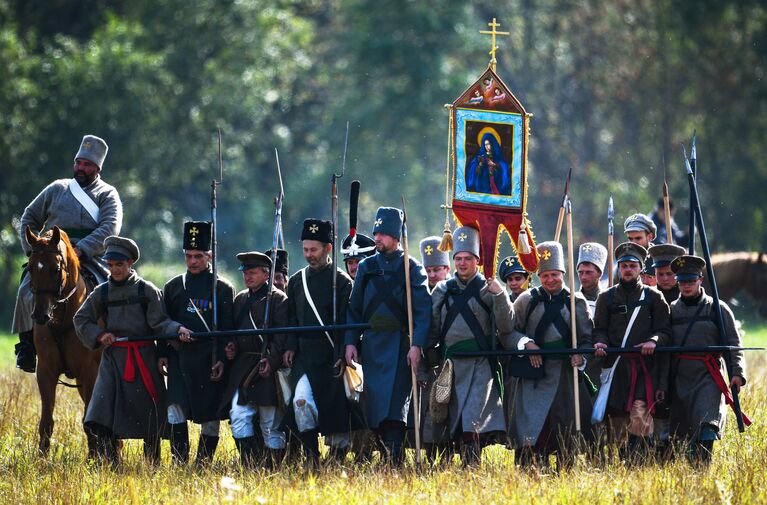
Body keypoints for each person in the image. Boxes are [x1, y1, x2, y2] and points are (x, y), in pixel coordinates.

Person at [74, 236, 189, 464]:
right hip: (113, 361)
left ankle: (152, 464)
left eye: (120, 264)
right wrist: (99, 335)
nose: (114, 269)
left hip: (144, 360)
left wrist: (178, 329)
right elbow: (81, 319)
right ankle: (109, 463)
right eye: (111, 265)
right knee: (102, 411)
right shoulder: (101, 293)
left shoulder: (147, 291)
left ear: (130, 263)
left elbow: (161, 323)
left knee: (150, 416)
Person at [13, 134, 122, 373]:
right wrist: (35, 252)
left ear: (97, 168)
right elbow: (28, 219)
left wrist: (81, 250)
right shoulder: (56, 188)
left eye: (87, 165)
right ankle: (26, 346)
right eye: (78, 163)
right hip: (50, 254)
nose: (81, 168)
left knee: (113, 293)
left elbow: (110, 228)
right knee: (25, 287)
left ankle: (115, 345)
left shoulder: (107, 193)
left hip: (89, 257)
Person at [345, 207, 431, 465]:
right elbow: (354, 308)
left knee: (395, 405)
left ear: (396, 238)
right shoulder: (366, 267)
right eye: (376, 233)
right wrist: (350, 341)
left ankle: (394, 460)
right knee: (374, 405)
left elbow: (423, 313)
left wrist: (416, 346)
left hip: (399, 345)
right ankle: (383, 455)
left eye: (383, 234)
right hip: (372, 345)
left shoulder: (412, 268)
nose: (378, 238)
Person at [426, 226, 513, 465]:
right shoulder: (442, 290)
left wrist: (500, 295)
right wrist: (427, 354)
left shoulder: (488, 289)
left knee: (472, 417)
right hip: (450, 365)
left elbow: (506, 326)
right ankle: (443, 465)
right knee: (447, 416)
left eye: (468, 259)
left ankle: (472, 465)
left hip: (480, 363)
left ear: (477, 260)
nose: (462, 263)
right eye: (458, 259)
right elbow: (433, 328)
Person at [509, 241, 594, 469]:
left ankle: (565, 470)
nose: (550, 280)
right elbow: (509, 332)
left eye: (554, 274)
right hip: (534, 374)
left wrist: (581, 357)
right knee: (533, 427)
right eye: (545, 275)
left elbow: (587, 338)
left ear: (563, 274)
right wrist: (527, 344)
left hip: (566, 375)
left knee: (566, 425)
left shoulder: (577, 301)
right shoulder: (526, 300)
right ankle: (531, 471)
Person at [282, 219, 360, 466]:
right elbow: (293, 318)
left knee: (335, 406)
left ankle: (337, 459)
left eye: (313, 250)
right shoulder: (297, 280)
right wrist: (291, 346)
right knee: (300, 402)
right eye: (305, 250)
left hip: (331, 355)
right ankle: (311, 458)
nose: (309, 255)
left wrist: (340, 353)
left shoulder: (343, 282)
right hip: (306, 354)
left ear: (328, 248)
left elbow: (348, 322)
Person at [159, 221, 234, 466]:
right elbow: (163, 323)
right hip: (180, 359)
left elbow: (228, 330)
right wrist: (162, 353)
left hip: (209, 360)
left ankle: (202, 464)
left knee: (209, 417)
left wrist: (222, 359)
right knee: (174, 411)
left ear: (209, 256)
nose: (193, 261)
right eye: (189, 256)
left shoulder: (222, 288)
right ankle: (179, 462)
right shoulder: (173, 287)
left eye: (198, 256)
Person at [664, 255, 747, 465]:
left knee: (707, 425)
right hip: (680, 378)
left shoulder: (717, 309)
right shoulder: (671, 310)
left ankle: (703, 469)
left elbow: (732, 344)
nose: (687, 286)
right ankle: (691, 470)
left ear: (700, 279)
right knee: (683, 431)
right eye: (683, 282)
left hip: (708, 377)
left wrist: (737, 373)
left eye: (691, 281)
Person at [593, 242, 671, 462]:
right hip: (616, 369)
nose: (627, 269)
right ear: (619, 267)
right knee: (617, 419)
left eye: (632, 266)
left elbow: (665, 330)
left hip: (644, 369)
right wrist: (600, 343)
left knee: (639, 413)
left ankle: (639, 464)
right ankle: (621, 463)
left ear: (640, 268)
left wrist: (654, 341)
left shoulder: (654, 298)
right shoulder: (606, 298)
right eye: (624, 265)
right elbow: (599, 330)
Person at [220, 251, 289, 468]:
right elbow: (235, 333)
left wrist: (272, 359)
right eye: (245, 273)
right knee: (238, 414)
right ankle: (250, 466)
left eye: (252, 272)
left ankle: (273, 468)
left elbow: (281, 336)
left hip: (267, 366)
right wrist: (232, 346)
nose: (247, 277)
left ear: (266, 274)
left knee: (270, 422)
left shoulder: (278, 299)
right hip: (243, 368)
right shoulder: (240, 299)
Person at [646, 243, 686, 459]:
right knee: (657, 409)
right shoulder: (648, 298)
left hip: (682, 364)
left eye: (670, 274)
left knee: (681, 410)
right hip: (654, 362)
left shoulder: (687, 296)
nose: (665, 279)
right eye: (660, 274)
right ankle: (658, 452)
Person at [576, 243, 608, 316]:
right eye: (580, 272)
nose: (583, 277)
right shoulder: (572, 301)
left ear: (599, 273)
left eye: (588, 272)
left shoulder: (608, 301)